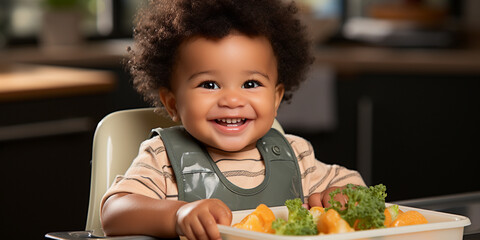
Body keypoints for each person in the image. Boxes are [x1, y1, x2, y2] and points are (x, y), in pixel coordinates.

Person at [101, 0, 365, 239]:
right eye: (209, 84)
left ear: (275, 98)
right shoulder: (163, 158)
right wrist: (177, 215)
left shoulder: (295, 155)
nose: (231, 100)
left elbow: (352, 182)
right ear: (172, 103)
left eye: (250, 83)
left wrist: (339, 195)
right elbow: (114, 212)